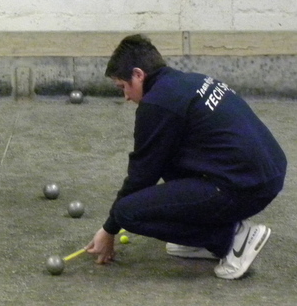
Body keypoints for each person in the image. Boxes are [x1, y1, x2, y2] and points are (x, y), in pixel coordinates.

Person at [85, 34, 287, 279]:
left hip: (245, 185)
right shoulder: (189, 81)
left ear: (138, 75)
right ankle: (205, 236)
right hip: (267, 173)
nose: (126, 96)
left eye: (123, 87)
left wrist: (109, 229)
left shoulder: (157, 104)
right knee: (169, 157)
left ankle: (231, 238)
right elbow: (160, 162)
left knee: (128, 212)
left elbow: (141, 176)